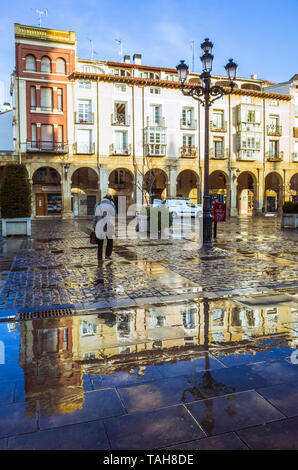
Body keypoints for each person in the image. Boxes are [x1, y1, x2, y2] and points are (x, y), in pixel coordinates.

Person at [93, 194, 116, 261]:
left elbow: (95, 217)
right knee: (110, 240)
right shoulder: (111, 205)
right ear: (110, 199)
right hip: (109, 225)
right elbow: (114, 215)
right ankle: (107, 255)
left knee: (100, 242)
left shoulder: (97, 204)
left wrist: (94, 226)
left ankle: (100, 258)